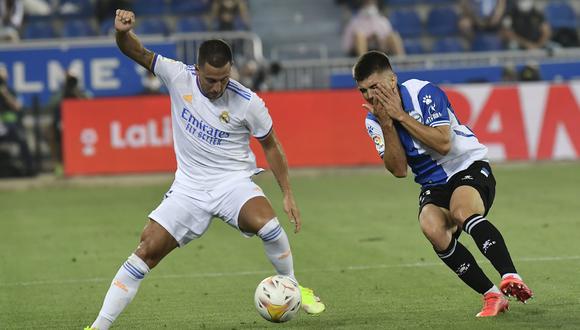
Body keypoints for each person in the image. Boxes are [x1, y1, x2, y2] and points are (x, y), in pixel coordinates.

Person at [85, 9, 325, 330]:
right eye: (211, 80)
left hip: (233, 184)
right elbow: (135, 51)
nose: (217, 87)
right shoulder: (176, 74)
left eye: (225, 78)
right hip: (189, 188)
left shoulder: (248, 102)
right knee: (145, 252)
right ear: (197, 69)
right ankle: (98, 327)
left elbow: (271, 145)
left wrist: (288, 193)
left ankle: (293, 285)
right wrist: (121, 33)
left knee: (268, 226)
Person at [352, 51, 533, 317]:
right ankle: (492, 295)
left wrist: (400, 116)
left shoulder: (424, 93)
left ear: (392, 80)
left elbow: (444, 144)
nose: (369, 96)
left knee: (461, 212)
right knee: (431, 227)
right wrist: (388, 124)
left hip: (467, 166)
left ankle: (510, 275)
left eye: (374, 87)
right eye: (363, 90)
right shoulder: (373, 121)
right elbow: (399, 170)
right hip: (432, 183)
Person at [0, 65, 34, 176]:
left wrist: (5, 94)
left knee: (22, 139)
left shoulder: (11, 91)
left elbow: (17, 107)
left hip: (10, 126)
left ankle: (29, 169)